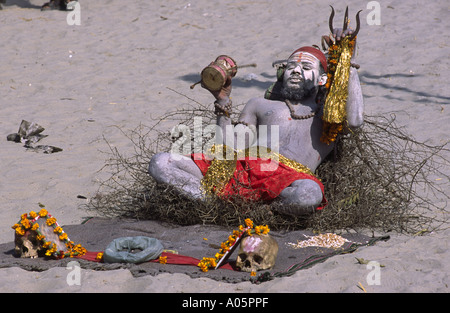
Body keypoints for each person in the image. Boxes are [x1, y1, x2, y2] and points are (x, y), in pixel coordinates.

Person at [149, 28, 364, 216]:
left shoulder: (328, 114)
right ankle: (212, 203)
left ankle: (265, 212)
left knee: (309, 194)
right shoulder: (259, 104)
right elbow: (230, 147)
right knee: (161, 162)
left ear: (322, 79)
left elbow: (354, 122)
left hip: (287, 181)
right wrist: (222, 101)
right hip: (241, 170)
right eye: (290, 67)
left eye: (306, 67)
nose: (296, 71)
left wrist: (348, 63)